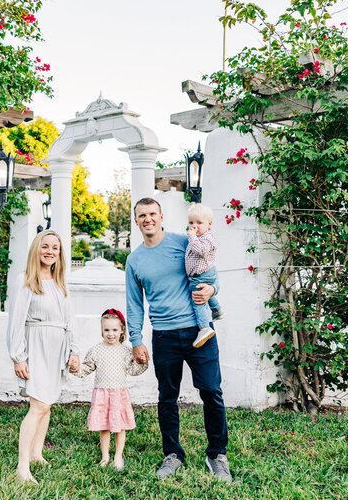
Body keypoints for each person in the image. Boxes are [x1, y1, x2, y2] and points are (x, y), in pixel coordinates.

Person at [125, 197, 233, 482]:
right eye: (142, 215)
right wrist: (136, 339)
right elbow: (134, 304)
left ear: (161, 216)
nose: (147, 219)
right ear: (136, 221)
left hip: (201, 331)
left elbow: (209, 271)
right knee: (167, 397)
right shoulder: (134, 260)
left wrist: (211, 290)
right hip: (164, 336)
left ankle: (217, 455)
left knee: (211, 391)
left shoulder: (183, 241)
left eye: (152, 214)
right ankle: (173, 454)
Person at [6, 230, 80, 484]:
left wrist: (74, 351)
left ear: (60, 254)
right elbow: (16, 321)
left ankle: (37, 453)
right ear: (36, 249)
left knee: (47, 404)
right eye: (45, 246)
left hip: (56, 349)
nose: (50, 251)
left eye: (55, 248)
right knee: (37, 406)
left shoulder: (60, 283)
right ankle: (22, 467)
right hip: (35, 347)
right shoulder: (26, 279)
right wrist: (19, 356)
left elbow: (70, 322)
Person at [72, 308, 147, 471]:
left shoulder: (126, 351)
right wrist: (76, 368)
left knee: (120, 427)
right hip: (102, 394)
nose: (110, 333)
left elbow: (134, 370)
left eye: (114, 330)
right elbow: (86, 368)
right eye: (106, 330)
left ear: (122, 330)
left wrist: (141, 362)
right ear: (101, 330)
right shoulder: (96, 350)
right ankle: (105, 456)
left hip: (119, 393)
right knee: (104, 426)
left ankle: (118, 456)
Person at [186, 203, 224, 348]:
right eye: (191, 223)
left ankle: (204, 328)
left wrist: (193, 237)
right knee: (205, 293)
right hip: (201, 274)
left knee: (198, 299)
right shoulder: (198, 237)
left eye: (199, 223)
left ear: (210, 224)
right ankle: (217, 311)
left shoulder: (208, 239)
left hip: (203, 274)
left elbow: (201, 251)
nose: (195, 226)